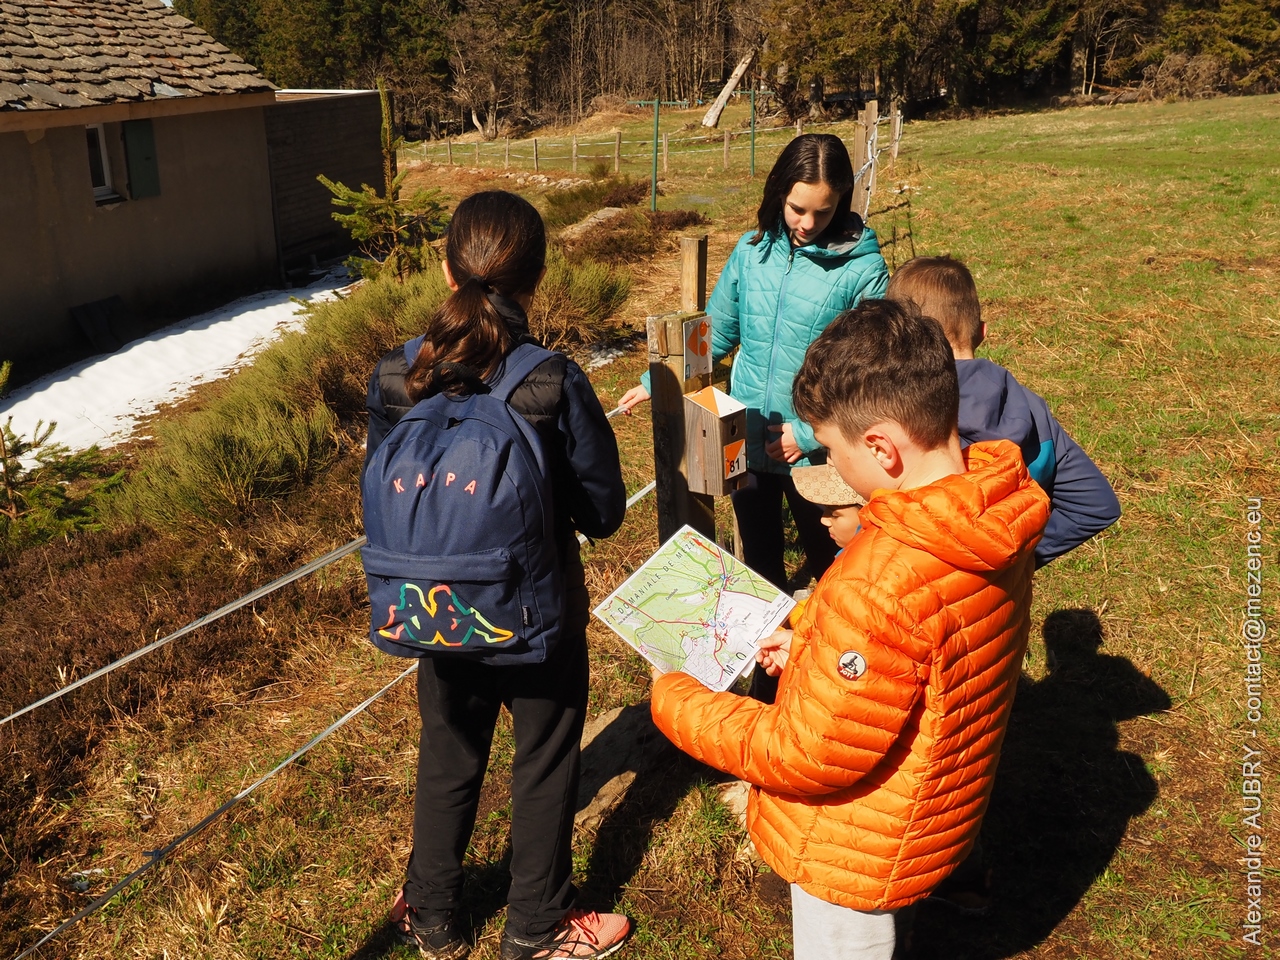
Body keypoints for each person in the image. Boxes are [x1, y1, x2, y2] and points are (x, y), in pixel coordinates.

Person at [649, 299, 1050, 960]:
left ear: (882, 448)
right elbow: (922, 656)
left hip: (850, 850)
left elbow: (804, 753)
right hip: (924, 812)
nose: (833, 469)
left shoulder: (877, 580)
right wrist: (810, 643)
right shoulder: (992, 511)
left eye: (831, 451)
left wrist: (676, 695)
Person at [363, 191, 631, 960]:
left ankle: (434, 918)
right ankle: (536, 928)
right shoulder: (549, 378)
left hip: (433, 609)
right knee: (544, 761)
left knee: (448, 753)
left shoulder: (397, 372)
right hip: (536, 613)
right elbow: (604, 509)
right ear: (537, 278)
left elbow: (384, 489)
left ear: (445, 267)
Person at [618, 133, 889, 701]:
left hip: (821, 455)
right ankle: (770, 696)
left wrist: (806, 430)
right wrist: (656, 381)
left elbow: (866, 372)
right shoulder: (753, 251)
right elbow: (717, 331)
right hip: (747, 440)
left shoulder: (863, 272)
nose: (807, 223)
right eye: (797, 208)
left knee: (835, 569)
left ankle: (840, 689)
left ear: (842, 202)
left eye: (823, 210)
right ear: (777, 194)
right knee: (759, 567)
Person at [885, 255, 1120, 568]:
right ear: (982, 332)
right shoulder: (1033, 408)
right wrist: (1013, 560)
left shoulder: (909, 416)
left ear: (899, 342)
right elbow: (1094, 505)